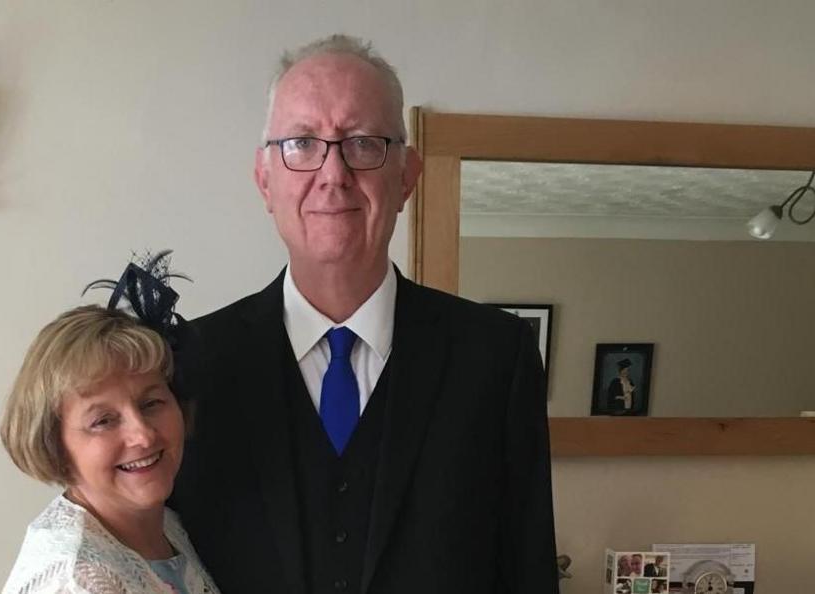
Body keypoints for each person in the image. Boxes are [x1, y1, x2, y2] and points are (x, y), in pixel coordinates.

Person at [169, 34, 558, 594]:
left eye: (363, 143)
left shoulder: (496, 356)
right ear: (264, 180)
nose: (333, 173)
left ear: (406, 176)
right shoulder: (191, 362)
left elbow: (528, 569)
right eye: (302, 143)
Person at [0, 304, 218, 594]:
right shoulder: (74, 582)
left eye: (151, 403)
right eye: (103, 421)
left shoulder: (167, 524)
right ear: (55, 444)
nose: (142, 435)